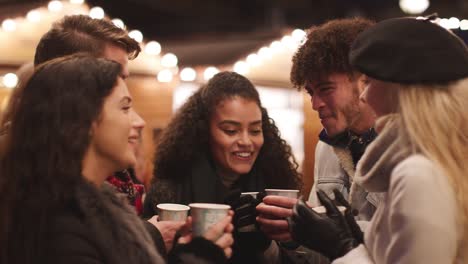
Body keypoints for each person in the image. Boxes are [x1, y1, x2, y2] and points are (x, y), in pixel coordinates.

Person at [0, 54, 234, 264]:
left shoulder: (95, 207)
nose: (139, 121)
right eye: (125, 108)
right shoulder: (59, 227)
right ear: (85, 121)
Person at [289, 16, 468, 263]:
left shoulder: (419, 173)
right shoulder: (427, 162)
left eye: (370, 81)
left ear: (402, 91)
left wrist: (342, 246)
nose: (365, 95)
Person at [143, 71, 303, 262]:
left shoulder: (275, 188)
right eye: (231, 130)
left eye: (255, 130)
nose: (246, 141)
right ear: (204, 131)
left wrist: (268, 245)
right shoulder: (168, 193)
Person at [256, 18, 379, 254]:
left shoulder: (414, 146)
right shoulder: (327, 148)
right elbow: (319, 253)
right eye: (311, 92)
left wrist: (341, 237)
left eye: (325, 89)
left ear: (365, 81)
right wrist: (294, 235)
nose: (315, 104)